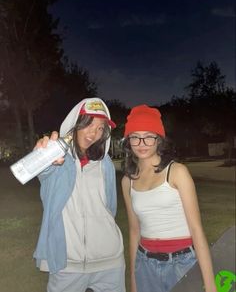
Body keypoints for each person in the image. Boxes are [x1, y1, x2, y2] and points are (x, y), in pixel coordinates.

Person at [33, 97, 126, 292]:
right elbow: (43, 170)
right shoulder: (56, 159)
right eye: (89, 123)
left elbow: (110, 208)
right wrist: (41, 156)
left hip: (109, 262)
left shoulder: (105, 164)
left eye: (101, 128)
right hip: (67, 263)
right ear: (76, 123)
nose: (95, 132)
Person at [121, 104, 217, 292]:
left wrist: (210, 284)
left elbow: (196, 229)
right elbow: (134, 231)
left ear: (159, 140)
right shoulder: (127, 181)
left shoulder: (177, 172)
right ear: (128, 140)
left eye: (149, 136)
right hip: (145, 266)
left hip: (182, 265)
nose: (142, 144)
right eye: (135, 137)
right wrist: (133, 281)